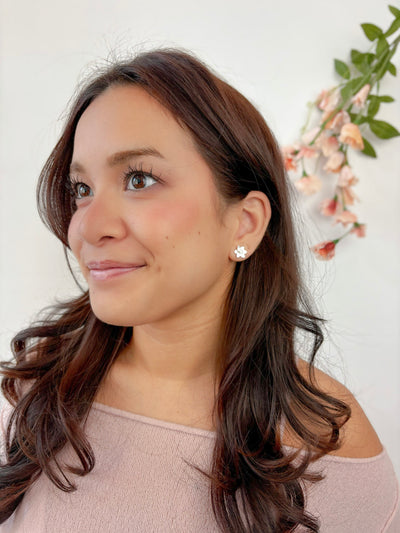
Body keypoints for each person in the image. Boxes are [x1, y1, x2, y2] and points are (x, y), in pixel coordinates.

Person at [0, 49, 398, 533]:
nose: (88, 226)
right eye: (81, 189)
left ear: (245, 223)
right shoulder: (31, 396)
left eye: (139, 179)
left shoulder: (327, 444)